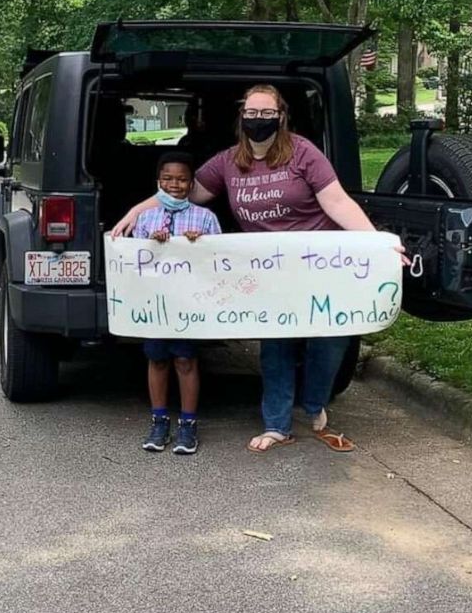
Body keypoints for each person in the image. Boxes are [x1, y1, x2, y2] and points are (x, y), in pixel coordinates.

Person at [113, 85, 407, 454]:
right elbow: (178, 194)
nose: (258, 120)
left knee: (331, 342)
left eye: (266, 114)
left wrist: (379, 243)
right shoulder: (227, 163)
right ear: (242, 117)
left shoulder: (304, 153)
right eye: (251, 114)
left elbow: (337, 202)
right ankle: (277, 425)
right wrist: (134, 213)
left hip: (320, 267)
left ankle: (314, 403)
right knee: (276, 348)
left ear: (281, 117)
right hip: (270, 273)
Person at [131, 152, 222, 455]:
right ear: (158, 182)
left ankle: (188, 424)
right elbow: (132, 262)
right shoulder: (145, 219)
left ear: (191, 183)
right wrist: (149, 244)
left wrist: (201, 244)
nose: (175, 185)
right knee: (157, 358)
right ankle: (159, 421)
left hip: (189, 304)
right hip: (156, 303)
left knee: (185, 359)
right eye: (168, 179)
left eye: (182, 179)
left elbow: (219, 260)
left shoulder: (205, 218)